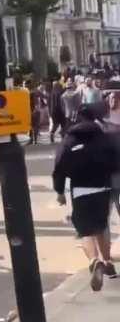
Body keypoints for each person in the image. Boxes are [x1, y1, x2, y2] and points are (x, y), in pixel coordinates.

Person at [53, 106, 118, 291]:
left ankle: (94, 260)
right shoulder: (103, 137)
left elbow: (59, 166)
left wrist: (59, 192)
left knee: (85, 230)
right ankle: (106, 262)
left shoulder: (70, 139)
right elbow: (115, 161)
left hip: (80, 189)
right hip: (103, 187)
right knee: (101, 225)